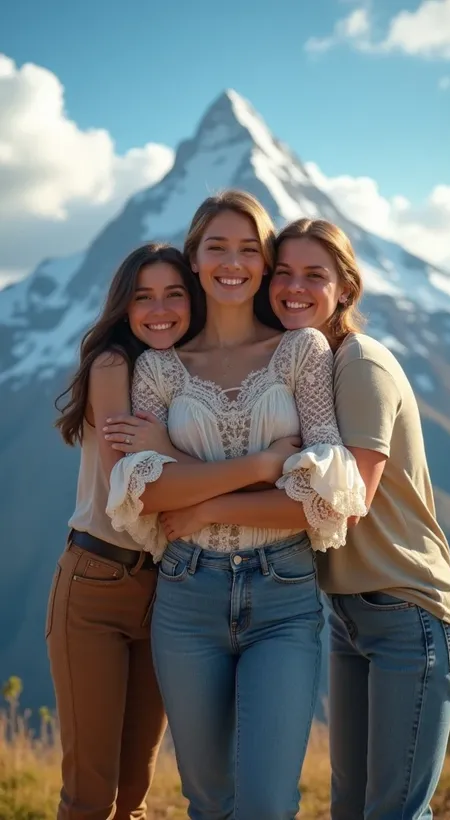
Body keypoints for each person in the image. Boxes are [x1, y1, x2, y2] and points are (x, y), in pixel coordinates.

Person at [105, 191, 366, 820]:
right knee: (208, 800)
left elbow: (323, 501)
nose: (232, 262)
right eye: (216, 247)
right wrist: (261, 465)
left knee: (268, 804)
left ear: (265, 260)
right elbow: (150, 493)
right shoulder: (162, 368)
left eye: (249, 249)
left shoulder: (301, 351)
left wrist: (200, 503)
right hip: (186, 597)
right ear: (193, 259)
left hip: (284, 593)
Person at [268, 219, 450, 820]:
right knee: (351, 809)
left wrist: (203, 505)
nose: (294, 287)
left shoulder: (359, 363)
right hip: (353, 615)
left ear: (345, 289)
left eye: (314, 275)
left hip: (412, 613)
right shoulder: (309, 366)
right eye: (283, 273)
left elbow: (342, 505)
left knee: (392, 812)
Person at [48, 243, 204, 820]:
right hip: (96, 582)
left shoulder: (196, 369)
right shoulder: (114, 364)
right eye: (144, 296)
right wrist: (254, 471)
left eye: (174, 294)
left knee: (134, 793)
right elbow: (127, 489)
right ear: (124, 305)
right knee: (90, 794)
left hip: (171, 590)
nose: (159, 309)